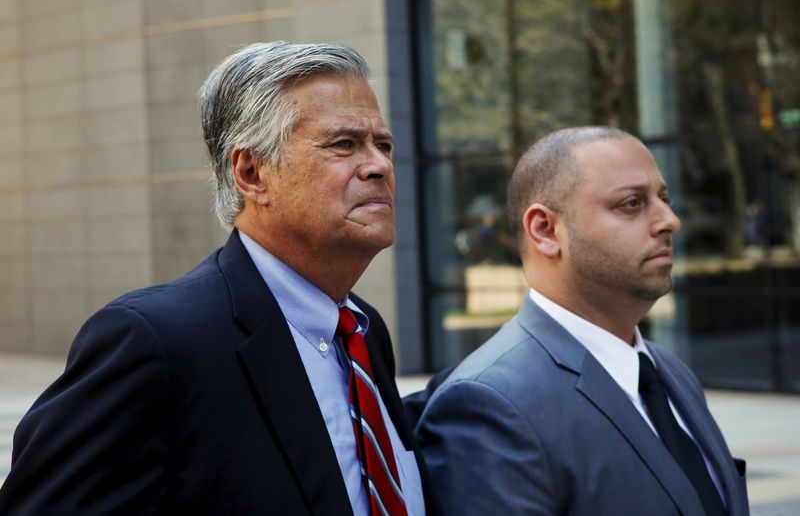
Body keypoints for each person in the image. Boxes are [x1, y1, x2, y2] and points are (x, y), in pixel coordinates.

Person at [0, 42, 436, 515]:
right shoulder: (154, 342)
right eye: (344, 144)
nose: (380, 166)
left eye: (383, 144)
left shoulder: (363, 330)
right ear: (250, 172)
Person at [413, 126, 749, 515]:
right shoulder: (488, 404)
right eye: (631, 203)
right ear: (545, 230)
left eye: (664, 198)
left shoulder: (671, 374)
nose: (669, 220)